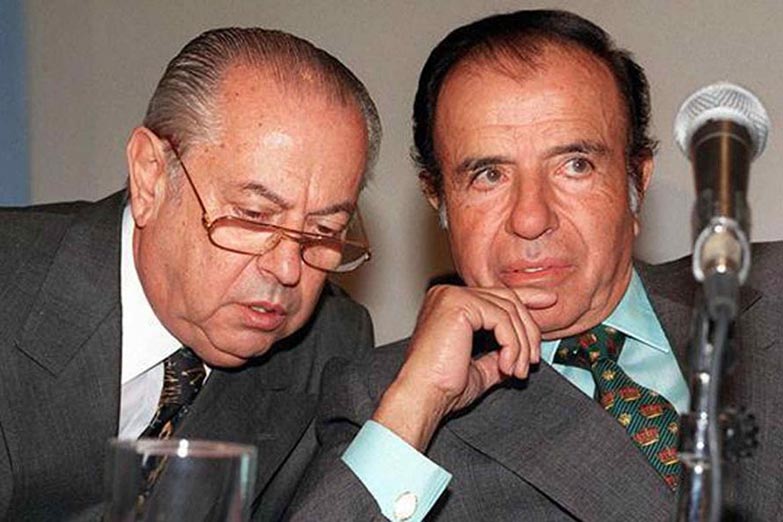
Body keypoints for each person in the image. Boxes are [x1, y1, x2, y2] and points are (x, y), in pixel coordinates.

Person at [289, 9, 783, 521]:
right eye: (488, 175)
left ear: (636, 181)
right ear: (439, 200)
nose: (530, 219)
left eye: (575, 166)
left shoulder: (770, 291)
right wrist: (417, 405)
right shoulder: (388, 398)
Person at [0, 27, 381, 520]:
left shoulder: (329, 346)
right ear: (151, 176)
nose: (287, 269)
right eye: (254, 217)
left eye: (323, 231)